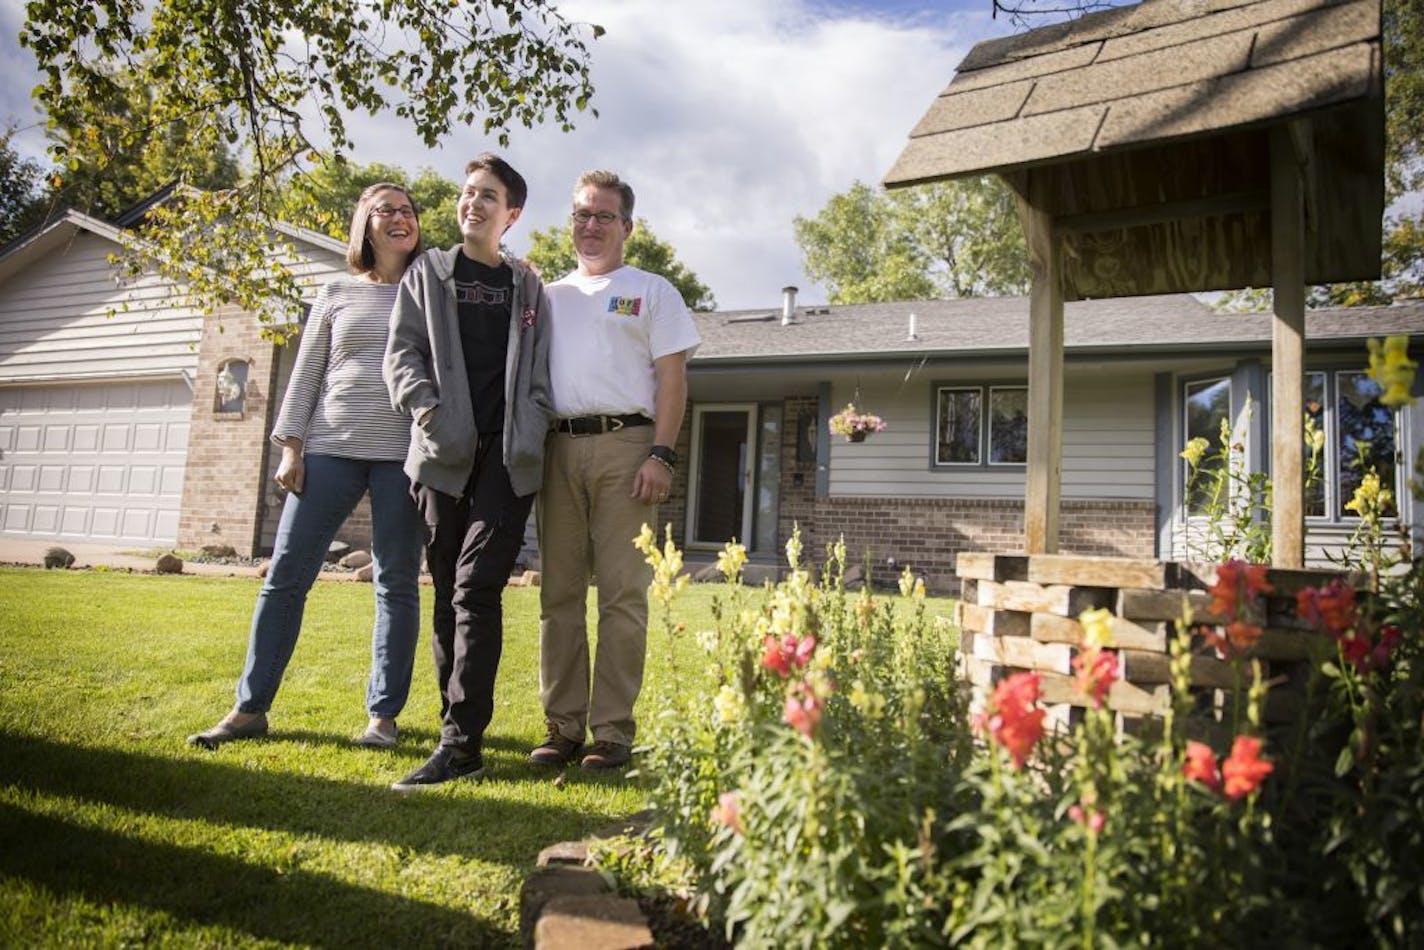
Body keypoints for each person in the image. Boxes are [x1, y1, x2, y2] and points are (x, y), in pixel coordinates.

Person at [188, 183, 426, 751]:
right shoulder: (337, 290)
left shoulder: (430, 290)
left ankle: (383, 718)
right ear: (364, 225)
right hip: (328, 450)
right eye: (385, 210)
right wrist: (290, 447)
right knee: (286, 577)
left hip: (402, 458)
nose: (399, 218)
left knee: (396, 584)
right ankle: (249, 708)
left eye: (407, 210)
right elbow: (308, 371)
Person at [384, 153, 553, 790]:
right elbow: (401, 353)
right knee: (447, 594)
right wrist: (427, 407)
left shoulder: (528, 287)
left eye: (488, 196)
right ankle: (454, 726)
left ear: (511, 214)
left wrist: (532, 427)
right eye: (467, 192)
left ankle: (460, 745)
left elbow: (539, 374)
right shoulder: (428, 273)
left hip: (508, 462)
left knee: (476, 591)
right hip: (441, 457)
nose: (472, 203)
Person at [532, 170, 701, 771]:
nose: (591, 225)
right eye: (582, 214)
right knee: (559, 595)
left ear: (627, 226)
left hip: (628, 447)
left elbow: (673, 378)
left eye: (604, 216)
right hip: (558, 448)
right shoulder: (547, 296)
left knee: (623, 595)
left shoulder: (652, 292)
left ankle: (612, 732)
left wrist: (662, 453)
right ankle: (562, 726)